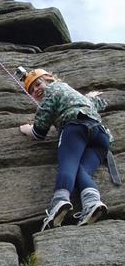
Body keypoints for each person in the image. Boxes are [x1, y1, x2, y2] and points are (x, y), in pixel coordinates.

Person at [18, 68, 111, 231]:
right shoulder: (71, 91)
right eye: (32, 90)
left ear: (49, 80)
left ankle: (59, 202)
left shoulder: (52, 92)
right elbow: (99, 103)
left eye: (38, 84)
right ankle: (92, 203)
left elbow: (39, 133)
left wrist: (25, 128)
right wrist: (90, 97)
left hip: (75, 128)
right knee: (81, 170)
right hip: (101, 136)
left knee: (68, 164)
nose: (36, 90)